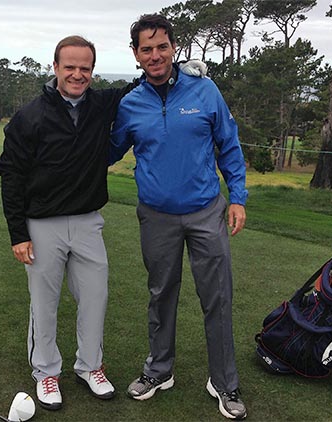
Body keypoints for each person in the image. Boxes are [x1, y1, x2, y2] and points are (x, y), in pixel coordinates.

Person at [110, 14, 249, 420]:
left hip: (207, 212)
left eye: (162, 47)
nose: (155, 55)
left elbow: (229, 145)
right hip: (156, 217)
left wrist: (237, 197)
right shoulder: (130, 103)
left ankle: (224, 382)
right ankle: (159, 370)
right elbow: (109, 150)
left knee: (217, 298)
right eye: (146, 49)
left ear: (173, 47)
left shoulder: (205, 91)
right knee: (161, 295)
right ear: (135, 54)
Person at [0, 35, 126, 411]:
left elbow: (145, 82)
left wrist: (189, 74)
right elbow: (11, 175)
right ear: (55, 68)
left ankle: (90, 366)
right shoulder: (30, 116)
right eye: (70, 66)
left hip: (87, 222)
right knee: (44, 302)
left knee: (95, 297)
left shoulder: (101, 105)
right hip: (42, 225)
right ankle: (46, 372)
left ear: (92, 71)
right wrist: (17, 234)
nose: (77, 74)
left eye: (85, 68)